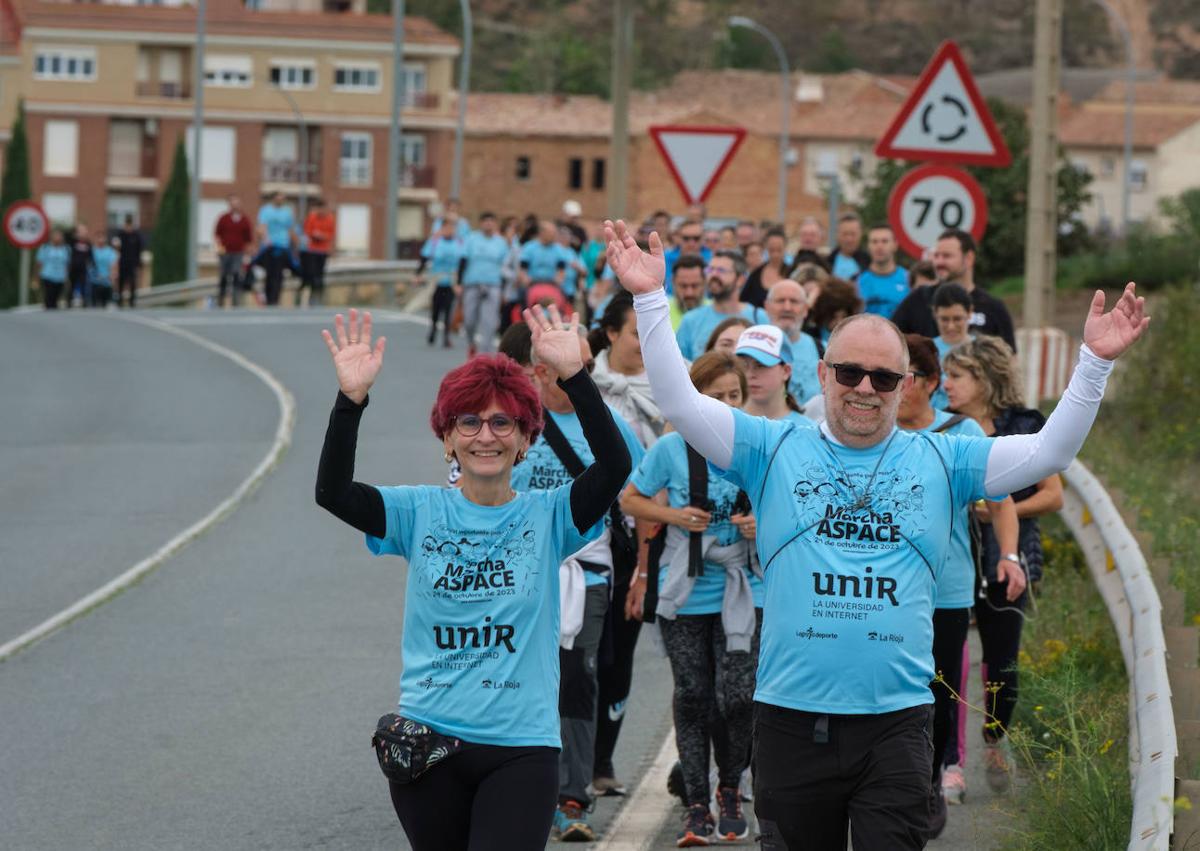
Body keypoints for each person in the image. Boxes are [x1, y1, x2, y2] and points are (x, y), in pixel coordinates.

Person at [605, 216, 1148, 850]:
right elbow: (679, 402)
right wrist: (649, 298)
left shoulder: (944, 458)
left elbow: (1048, 454)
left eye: (885, 378)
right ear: (824, 370)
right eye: (850, 373)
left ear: (905, 386)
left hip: (895, 727)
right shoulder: (771, 445)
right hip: (788, 720)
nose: (865, 389)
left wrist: (1093, 365)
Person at [315, 305, 630, 851]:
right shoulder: (416, 512)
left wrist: (575, 377)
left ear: (525, 438)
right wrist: (351, 401)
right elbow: (333, 492)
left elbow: (614, 467)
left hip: (522, 749)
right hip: (430, 746)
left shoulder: (552, 514)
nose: (486, 435)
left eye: (502, 421)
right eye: (470, 422)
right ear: (448, 438)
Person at [510, 318, 646, 842]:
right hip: (516, 572)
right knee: (520, 677)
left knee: (577, 677)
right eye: (573, 366)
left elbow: (641, 499)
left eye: (588, 366)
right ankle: (520, 786)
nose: (584, 374)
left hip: (587, 571)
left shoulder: (610, 426)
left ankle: (572, 796)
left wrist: (643, 569)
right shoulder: (510, 423)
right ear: (541, 371)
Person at [621, 352, 761, 846]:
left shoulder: (756, 446)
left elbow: (789, 506)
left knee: (738, 697)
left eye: (733, 396)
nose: (724, 405)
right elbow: (630, 499)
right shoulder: (670, 448)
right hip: (685, 589)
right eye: (714, 395)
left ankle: (731, 786)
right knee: (693, 695)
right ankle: (698, 804)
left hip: (743, 588)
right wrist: (677, 517)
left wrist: (757, 522)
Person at [896, 334, 1020, 837]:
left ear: (927, 384)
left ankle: (931, 778)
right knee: (893, 691)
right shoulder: (873, 426)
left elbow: (1000, 498)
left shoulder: (962, 431)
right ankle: (897, 784)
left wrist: (1009, 556)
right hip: (883, 588)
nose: (889, 387)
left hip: (945, 586)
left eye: (901, 377)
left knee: (939, 691)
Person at [943, 336, 1065, 798]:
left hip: (1008, 560)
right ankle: (946, 761)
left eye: (956, 376)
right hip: (954, 560)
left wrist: (999, 509)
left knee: (1003, 665)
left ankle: (995, 738)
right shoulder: (944, 428)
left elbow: (1054, 495)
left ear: (984, 378)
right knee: (948, 662)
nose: (947, 385)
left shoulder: (1023, 425)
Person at [891, 229, 1016, 352]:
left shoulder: (993, 307)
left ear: (969, 258)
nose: (939, 262)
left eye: (947, 256)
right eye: (936, 255)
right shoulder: (918, 299)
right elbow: (892, 341)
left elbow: (1009, 361)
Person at [589, 291, 664, 447]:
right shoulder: (588, 381)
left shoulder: (674, 377)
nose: (646, 343)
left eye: (651, 334)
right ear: (612, 333)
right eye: (638, 334)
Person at [674, 251, 764, 361]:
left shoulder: (759, 318)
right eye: (710, 269)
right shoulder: (691, 320)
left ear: (740, 280)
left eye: (721, 270)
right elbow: (679, 365)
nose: (714, 275)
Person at [764, 279, 821, 406]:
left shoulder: (824, 349)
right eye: (780, 301)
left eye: (794, 301)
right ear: (766, 307)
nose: (787, 307)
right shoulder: (753, 347)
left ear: (806, 309)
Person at [733, 325, 806, 425]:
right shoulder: (727, 421)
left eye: (760, 365)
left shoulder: (806, 429)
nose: (750, 374)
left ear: (786, 371)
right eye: (743, 365)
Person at [460, 212, 509, 356]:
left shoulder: (501, 242)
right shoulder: (471, 239)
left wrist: (505, 291)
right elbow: (463, 262)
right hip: (472, 283)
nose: (488, 224)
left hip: (493, 284)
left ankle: (484, 354)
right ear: (481, 223)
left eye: (491, 222)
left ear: (495, 224)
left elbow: (505, 267)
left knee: (489, 321)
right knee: (469, 320)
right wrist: (459, 283)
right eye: (485, 221)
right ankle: (471, 343)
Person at [417, 216, 465, 348]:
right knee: (436, 308)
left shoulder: (459, 243)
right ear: (441, 228)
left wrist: (460, 282)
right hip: (436, 279)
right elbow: (424, 258)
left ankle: (446, 336)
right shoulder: (434, 242)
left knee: (449, 308)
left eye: (452, 227)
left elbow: (463, 262)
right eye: (447, 227)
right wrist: (418, 274)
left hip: (452, 280)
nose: (449, 230)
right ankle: (433, 329)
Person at [929, 284, 975, 411]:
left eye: (957, 319)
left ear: (970, 312)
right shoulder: (926, 350)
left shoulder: (982, 351)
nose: (951, 326)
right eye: (944, 319)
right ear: (934, 313)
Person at [856, 224, 910, 319]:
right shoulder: (856, 281)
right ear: (868, 246)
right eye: (874, 241)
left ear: (895, 245)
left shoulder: (909, 279)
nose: (879, 246)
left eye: (884, 241)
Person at [256, 192, 297, 306]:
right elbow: (262, 227)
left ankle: (275, 299)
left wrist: (294, 245)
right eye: (278, 198)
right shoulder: (266, 211)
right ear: (273, 199)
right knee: (269, 273)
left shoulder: (287, 212)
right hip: (269, 246)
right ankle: (268, 297)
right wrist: (266, 239)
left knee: (279, 274)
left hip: (283, 246)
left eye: (282, 199)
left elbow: (290, 229)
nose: (280, 201)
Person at [214, 195, 254, 309]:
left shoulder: (244, 219)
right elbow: (217, 234)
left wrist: (248, 252)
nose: (235, 205)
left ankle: (236, 301)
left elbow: (249, 238)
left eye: (237, 202)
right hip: (225, 253)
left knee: (236, 274)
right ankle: (220, 301)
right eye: (232, 203)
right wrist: (219, 247)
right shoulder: (223, 218)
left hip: (238, 253)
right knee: (224, 276)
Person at [807, 277, 863, 353]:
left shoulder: (856, 339)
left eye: (844, 316)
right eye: (833, 317)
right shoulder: (809, 336)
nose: (839, 321)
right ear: (823, 315)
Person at [741, 228, 791, 308]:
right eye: (772, 250)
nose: (775, 255)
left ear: (785, 248)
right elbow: (743, 302)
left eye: (779, 250)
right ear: (766, 248)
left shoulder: (792, 273)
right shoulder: (756, 274)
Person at [300, 199, 336, 307]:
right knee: (310, 274)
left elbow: (331, 234)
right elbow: (307, 231)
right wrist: (314, 235)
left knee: (319, 275)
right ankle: (307, 296)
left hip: (322, 251)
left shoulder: (330, 219)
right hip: (311, 251)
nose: (322, 211)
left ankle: (317, 297)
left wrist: (323, 236)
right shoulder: (312, 217)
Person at [663, 219, 710, 294]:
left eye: (696, 238)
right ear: (678, 238)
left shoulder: (712, 260)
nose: (691, 243)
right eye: (686, 238)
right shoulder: (665, 259)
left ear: (703, 239)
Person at [827, 213, 869, 281]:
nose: (849, 239)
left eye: (853, 234)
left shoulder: (870, 263)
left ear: (861, 234)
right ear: (837, 234)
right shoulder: (827, 262)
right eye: (845, 234)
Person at [670, 254, 707, 331]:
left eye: (695, 286)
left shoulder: (719, 310)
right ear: (673, 282)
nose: (689, 293)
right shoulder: (660, 312)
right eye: (683, 286)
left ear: (704, 283)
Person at [35, 229, 70, 309]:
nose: (58, 238)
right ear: (51, 237)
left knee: (56, 297)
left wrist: (66, 277)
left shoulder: (66, 249)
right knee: (49, 296)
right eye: (56, 236)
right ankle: (48, 309)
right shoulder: (45, 248)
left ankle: (53, 310)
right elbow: (39, 263)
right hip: (48, 275)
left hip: (60, 277)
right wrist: (36, 277)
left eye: (60, 236)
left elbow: (66, 264)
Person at [114, 215, 143, 308]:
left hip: (132, 262)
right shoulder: (120, 235)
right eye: (127, 225)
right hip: (122, 262)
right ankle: (120, 300)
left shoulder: (136, 236)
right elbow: (116, 247)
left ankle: (132, 301)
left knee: (132, 282)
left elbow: (139, 250)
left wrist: (138, 263)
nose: (128, 227)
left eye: (130, 225)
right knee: (121, 281)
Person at [67, 223, 93, 308]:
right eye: (80, 231)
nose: (82, 233)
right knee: (72, 284)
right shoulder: (73, 242)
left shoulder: (88, 244)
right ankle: (69, 301)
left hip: (83, 268)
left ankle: (84, 301)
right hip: (73, 267)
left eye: (84, 231)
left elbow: (91, 256)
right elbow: (67, 235)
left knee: (83, 284)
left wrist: (92, 265)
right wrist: (75, 231)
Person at [88, 233, 118, 307]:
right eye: (99, 238)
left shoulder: (110, 251)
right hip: (94, 281)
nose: (100, 240)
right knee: (94, 304)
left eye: (102, 238)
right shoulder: (92, 251)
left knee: (105, 304)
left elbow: (113, 265)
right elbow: (89, 265)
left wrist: (112, 276)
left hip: (106, 281)